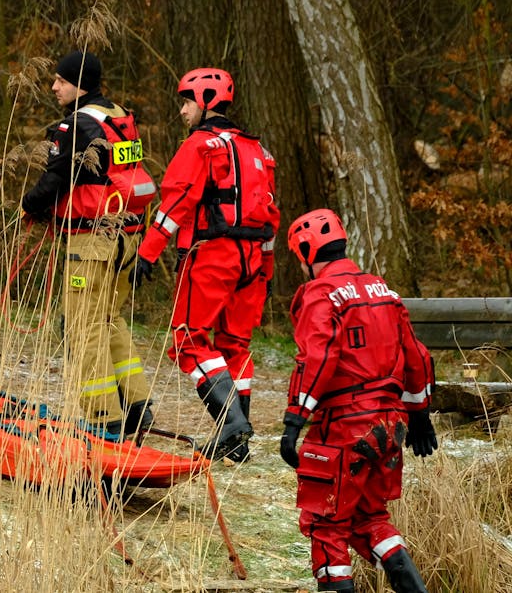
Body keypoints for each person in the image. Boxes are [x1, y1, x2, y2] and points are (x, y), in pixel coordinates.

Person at [127, 67, 279, 461]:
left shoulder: (201, 146)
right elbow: (271, 215)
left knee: (187, 340)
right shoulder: (257, 150)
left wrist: (147, 252)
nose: (182, 111)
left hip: (212, 256)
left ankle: (231, 424)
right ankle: (238, 444)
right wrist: (266, 269)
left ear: (207, 101)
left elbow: (177, 202)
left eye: (187, 102)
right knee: (234, 345)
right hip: (252, 261)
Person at [282, 208, 436, 593]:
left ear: (304, 251)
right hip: (390, 422)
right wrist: (419, 412)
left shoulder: (321, 293)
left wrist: (294, 419)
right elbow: (416, 355)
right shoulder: (383, 289)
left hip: (344, 424)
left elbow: (316, 357)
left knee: (325, 524)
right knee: (370, 517)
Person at [19, 51, 157, 440]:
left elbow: (56, 178)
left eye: (61, 80)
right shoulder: (119, 116)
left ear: (80, 83)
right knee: (108, 320)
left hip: (91, 242)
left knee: (81, 328)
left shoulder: (77, 124)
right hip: (127, 237)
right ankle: (137, 405)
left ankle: (103, 418)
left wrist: (27, 206)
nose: (54, 87)